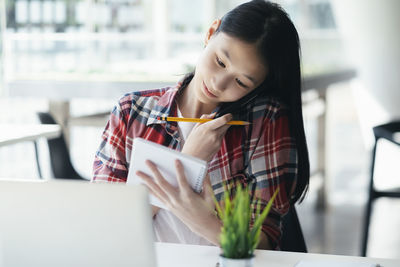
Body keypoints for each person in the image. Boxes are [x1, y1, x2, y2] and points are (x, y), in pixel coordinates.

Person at [92, 0, 309, 250]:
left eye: (241, 82)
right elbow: (106, 227)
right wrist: (188, 160)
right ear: (209, 33)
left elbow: (264, 244)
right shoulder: (132, 112)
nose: (218, 84)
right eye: (220, 61)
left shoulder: (264, 121)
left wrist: (204, 221)